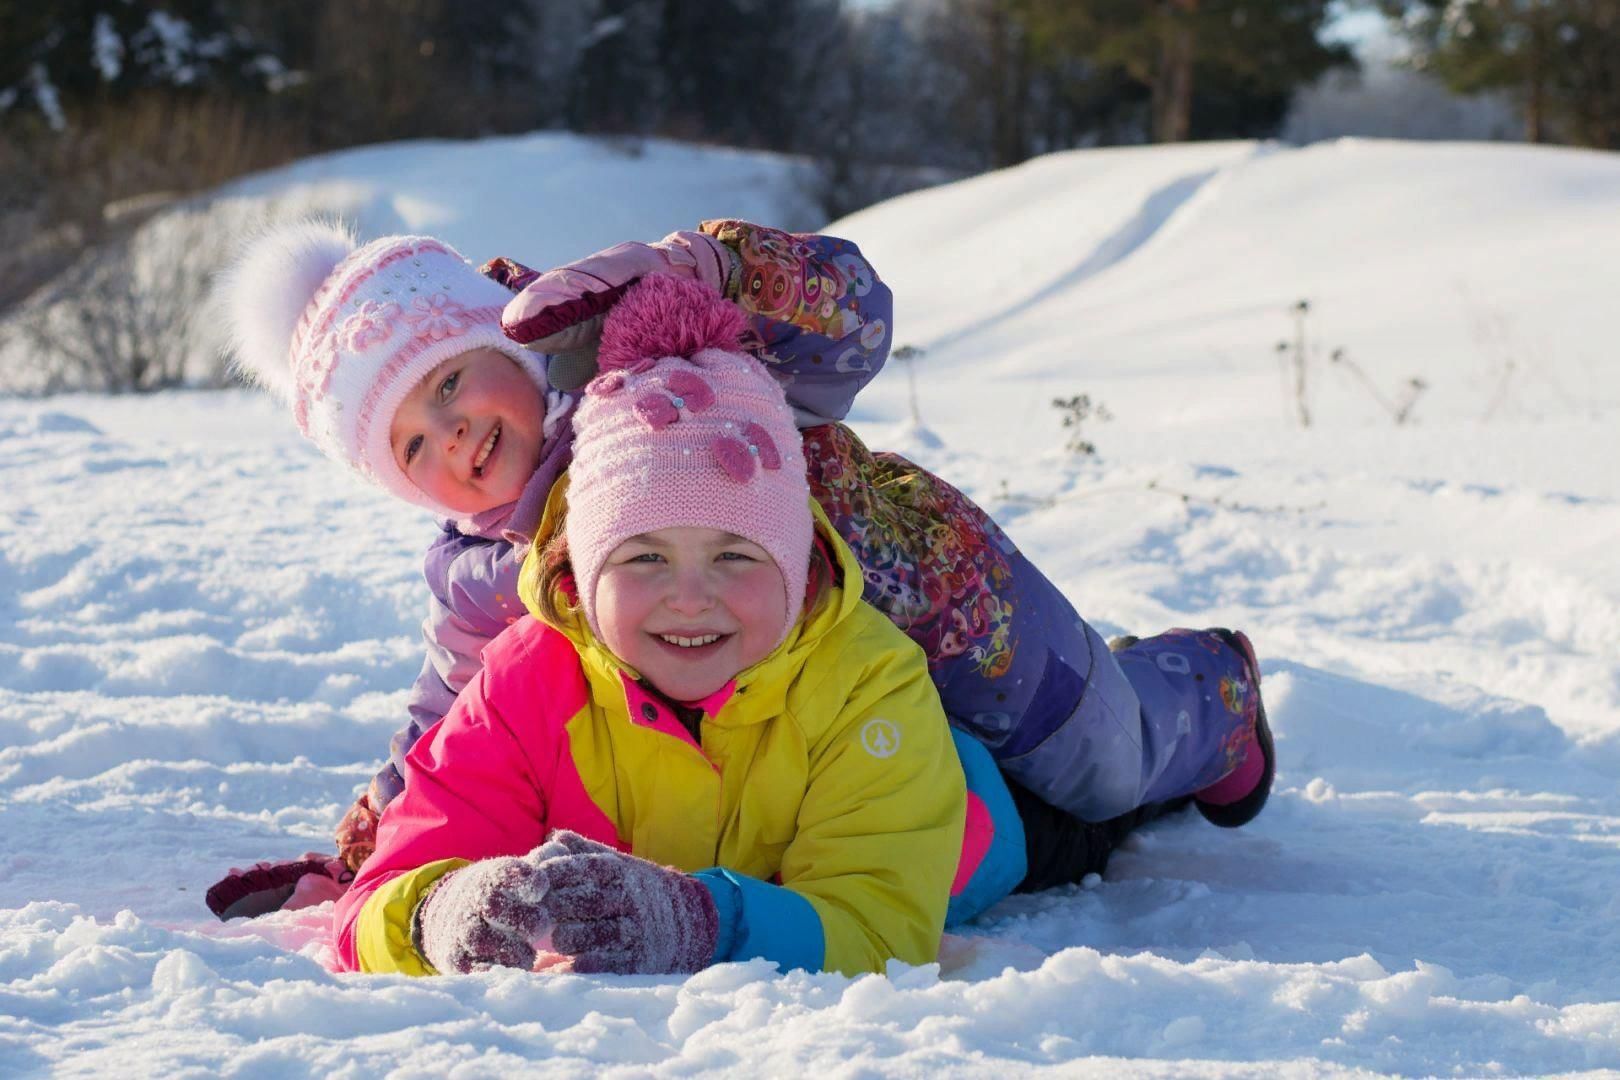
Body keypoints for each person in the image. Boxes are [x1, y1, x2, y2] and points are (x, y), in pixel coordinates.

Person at [209, 216, 1271, 922]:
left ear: (504, 338)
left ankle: (1213, 692)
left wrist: (716, 271)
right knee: (965, 827)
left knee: (1105, 762)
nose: (452, 436)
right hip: (819, 700)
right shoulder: (484, 573)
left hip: (943, 609)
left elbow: (854, 322)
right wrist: (362, 856)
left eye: (447, 382)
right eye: (407, 443)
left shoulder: (639, 337)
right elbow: (452, 729)